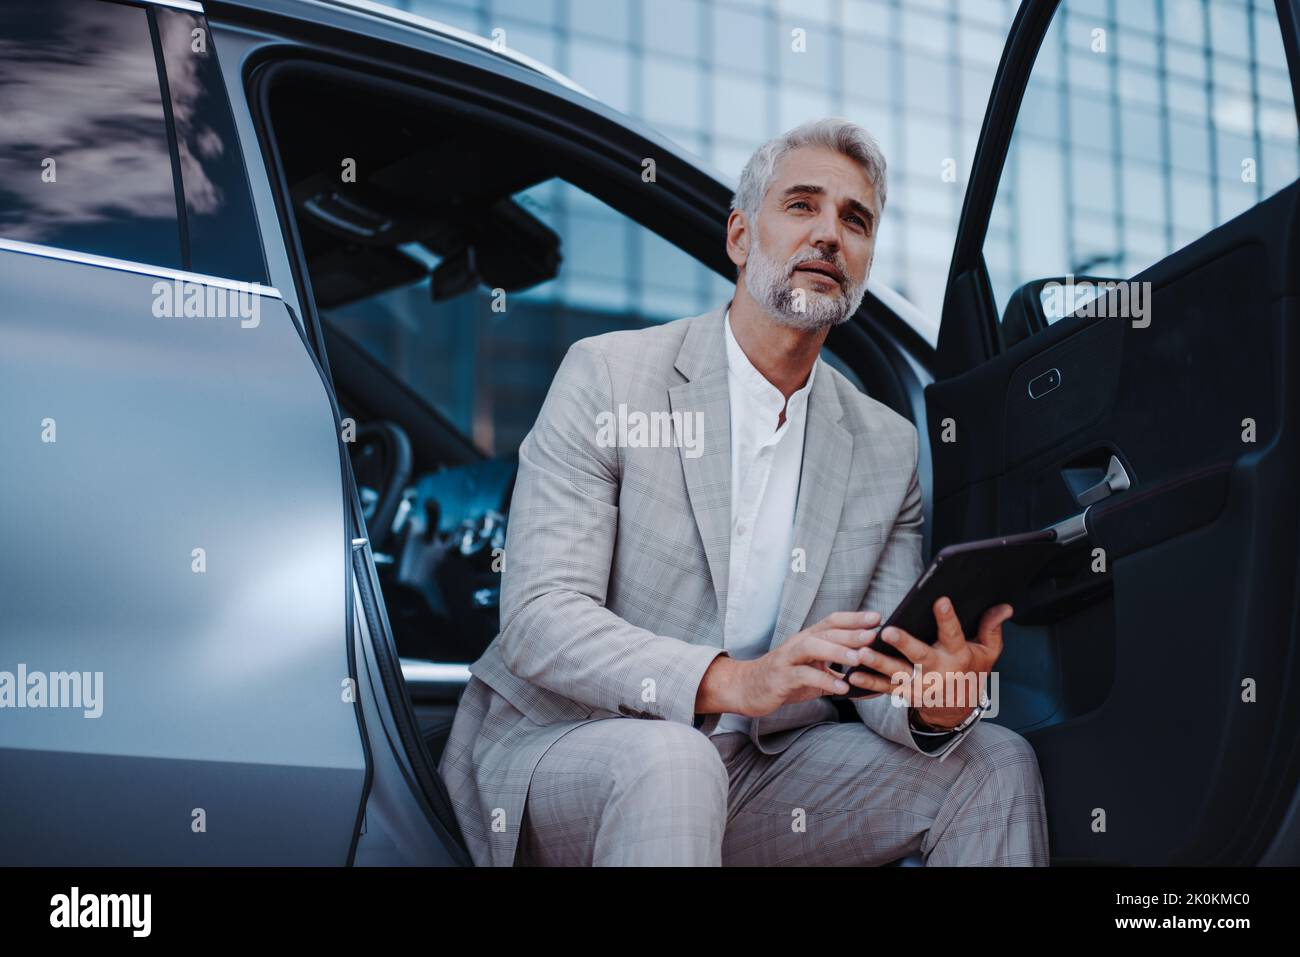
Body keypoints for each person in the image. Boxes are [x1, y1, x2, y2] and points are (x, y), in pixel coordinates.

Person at [439, 117, 1049, 866]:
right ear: (738, 237)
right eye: (802, 206)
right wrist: (733, 680)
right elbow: (539, 620)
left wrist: (931, 700)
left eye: (855, 220)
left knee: (992, 762)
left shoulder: (888, 446)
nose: (830, 233)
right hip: (563, 750)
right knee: (676, 762)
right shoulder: (609, 375)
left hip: (761, 774)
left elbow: (870, 672)